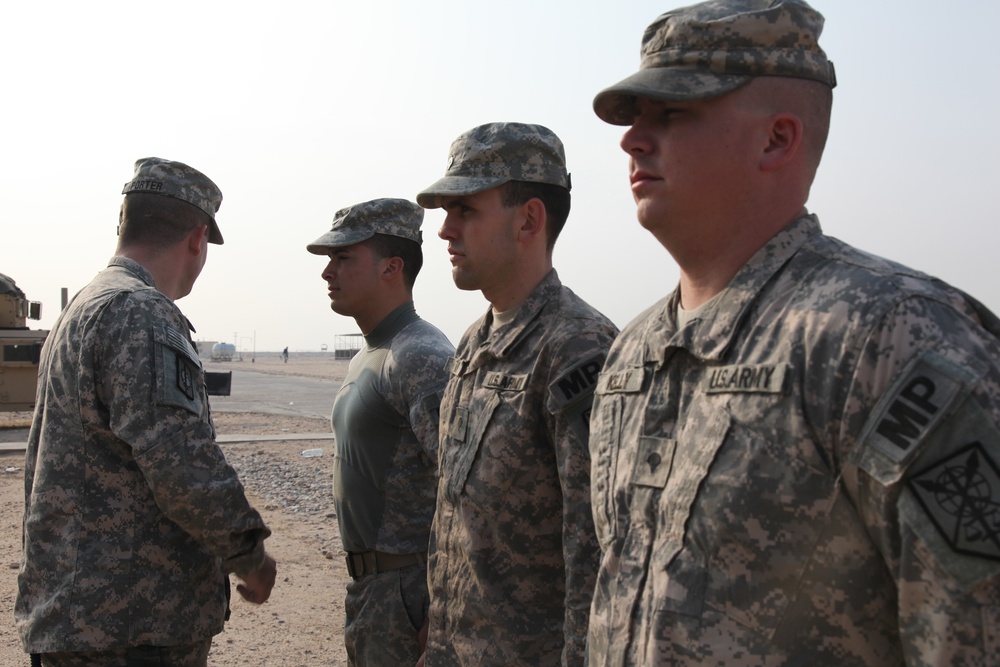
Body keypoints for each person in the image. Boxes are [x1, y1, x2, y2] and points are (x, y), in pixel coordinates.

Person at [586, 1, 1000, 665]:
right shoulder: (633, 352)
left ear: (777, 140)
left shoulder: (891, 337)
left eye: (673, 113)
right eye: (634, 119)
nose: (632, 140)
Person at [16, 157, 276, 666]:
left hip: (84, 619)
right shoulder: (140, 312)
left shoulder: (86, 306)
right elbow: (182, 465)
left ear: (123, 224)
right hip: (128, 628)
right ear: (197, 240)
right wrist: (250, 555)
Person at [415, 122, 618, 667]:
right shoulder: (474, 341)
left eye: (465, 210)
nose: (444, 231)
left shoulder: (578, 348)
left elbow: (596, 550)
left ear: (529, 219)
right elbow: (454, 519)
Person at [306, 198, 454, 666]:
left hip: (408, 592)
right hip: (375, 588)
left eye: (344, 258)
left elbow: (462, 492)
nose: (328, 272)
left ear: (393, 267)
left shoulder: (419, 356)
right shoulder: (372, 353)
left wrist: (443, 607)